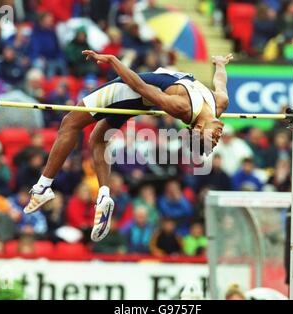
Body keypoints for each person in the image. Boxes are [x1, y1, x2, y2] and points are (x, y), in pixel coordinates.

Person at [24, 50, 233, 243]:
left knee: (69, 122)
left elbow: (141, 87)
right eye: (217, 138)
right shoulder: (220, 104)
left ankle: (42, 187)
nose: (218, 136)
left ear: (197, 129)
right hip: (140, 96)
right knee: (98, 139)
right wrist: (220, 64)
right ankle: (104, 195)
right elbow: (220, 82)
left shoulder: (182, 107)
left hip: (129, 89)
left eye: (211, 139)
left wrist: (114, 61)